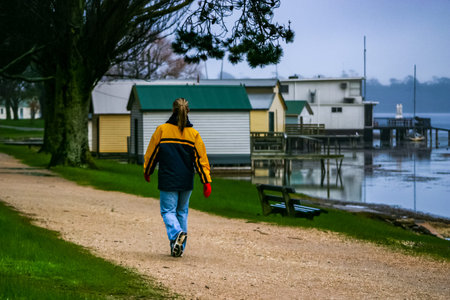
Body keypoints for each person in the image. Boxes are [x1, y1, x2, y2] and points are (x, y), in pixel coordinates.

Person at [143, 98, 212, 257]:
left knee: (168, 211)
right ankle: (178, 248)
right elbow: (201, 160)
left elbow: (152, 154)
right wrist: (206, 181)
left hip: (168, 179)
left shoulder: (162, 130)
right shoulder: (193, 134)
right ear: (188, 111)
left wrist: (148, 170)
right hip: (186, 180)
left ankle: (176, 235)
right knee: (182, 212)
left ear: (173, 110)